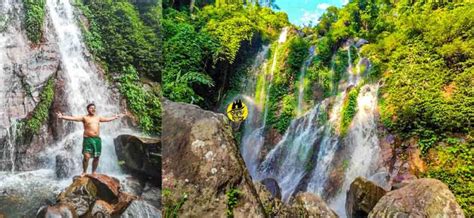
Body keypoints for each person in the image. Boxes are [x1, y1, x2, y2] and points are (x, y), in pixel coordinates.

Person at [56, 103, 123, 176]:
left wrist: (115, 117)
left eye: (94, 108)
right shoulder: (84, 118)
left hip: (97, 139)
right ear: (88, 109)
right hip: (88, 139)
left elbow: (106, 119)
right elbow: (74, 118)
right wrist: (62, 117)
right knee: (86, 157)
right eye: (91, 108)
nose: (93, 109)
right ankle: (84, 172)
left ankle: (93, 171)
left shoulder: (98, 117)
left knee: (97, 157)